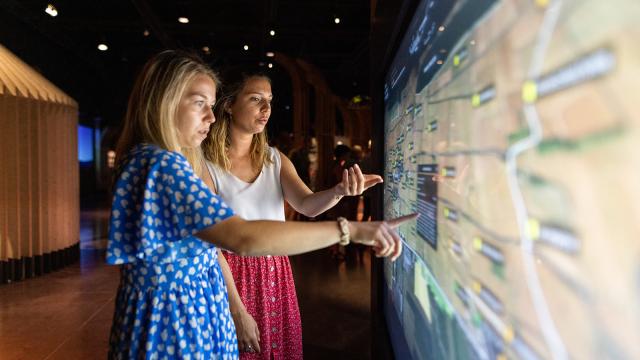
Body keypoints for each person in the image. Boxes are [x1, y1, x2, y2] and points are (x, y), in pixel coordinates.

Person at [107, 50, 415, 359]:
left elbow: (305, 205)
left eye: (210, 106)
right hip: (180, 320)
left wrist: (338, 191)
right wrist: (349, 230)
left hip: (227, 294)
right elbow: (241, 237)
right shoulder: (168, 165)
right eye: (200, 103)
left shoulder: (263, 158)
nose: (210, 117)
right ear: (165, 101)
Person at [201, 69, 387, 359]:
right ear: (228, 104)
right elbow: (210, 245)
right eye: (255, 99)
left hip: (275, 271)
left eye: (270, 100)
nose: (266, 109)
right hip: (228, 275)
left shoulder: (274, 158)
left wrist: (339, 191)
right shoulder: (205, 163)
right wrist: (236, 308)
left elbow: (307, 204)